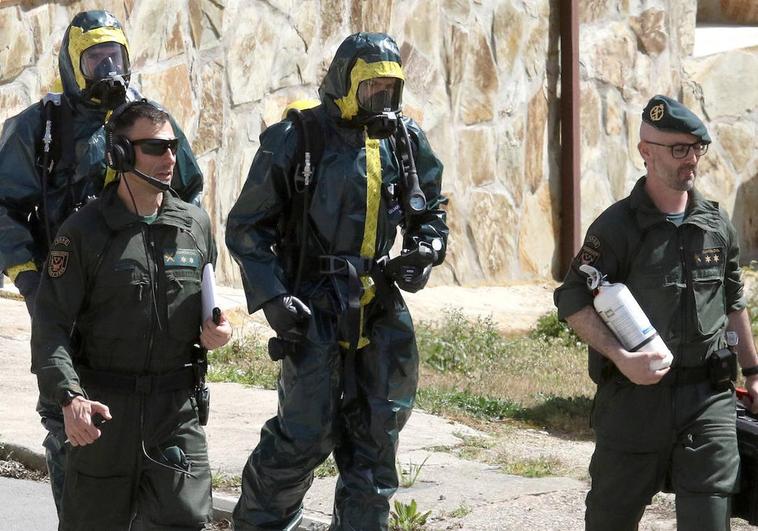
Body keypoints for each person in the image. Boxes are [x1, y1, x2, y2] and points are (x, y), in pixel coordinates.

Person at [226, 32, 448, 530]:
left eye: (390, 90)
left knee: (377, 439)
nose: (382, 101)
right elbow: (247, 226)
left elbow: (430, 211)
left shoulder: (405, 141)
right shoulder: (297, 138)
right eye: (372, 89)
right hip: (314, 305)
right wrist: (273, 296)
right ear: (345, 82)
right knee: (304, 436)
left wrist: (425, 252)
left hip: (381, 307)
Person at [0, 9, 204, 514]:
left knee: (154, 438)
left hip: (136, 295)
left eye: (116, 57)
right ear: (73, 65)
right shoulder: (40, 128)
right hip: (67, 291)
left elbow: (188, 190)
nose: (108, 69)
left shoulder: (145, 121)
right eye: (96, 60)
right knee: (72, 429)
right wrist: (30, 276)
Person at [554, 94, 758, 530]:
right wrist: (621, 357)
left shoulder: (715, 224)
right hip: (635, 402)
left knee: (710, 519)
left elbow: (732, 299)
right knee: (611, 517)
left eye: (697, 149)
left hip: (709, 400)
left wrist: (754, 370)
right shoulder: (616, 228)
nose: (691, 161)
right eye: (678, 149)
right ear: (646, 151)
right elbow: (572, 299)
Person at [30, 99, 231, 530]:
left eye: (173, 146)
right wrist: (69, 397)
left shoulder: (194, 226)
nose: (170, 158)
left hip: (175, 412)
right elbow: (50, 325)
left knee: (187, 520)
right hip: (105, 413)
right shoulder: (83, 233)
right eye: (155, 148)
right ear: (120, 153)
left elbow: (206, 309)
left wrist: (215, 331)